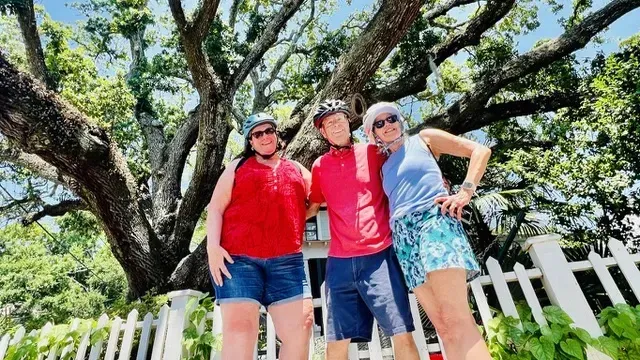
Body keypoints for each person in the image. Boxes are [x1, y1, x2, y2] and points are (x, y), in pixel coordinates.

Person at [363, 102, 492, 360]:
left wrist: (465, 191)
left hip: (434, 222)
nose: (387, 125)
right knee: (443, 327)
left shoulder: (424, 139)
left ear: (400, 120)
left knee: (457, 319)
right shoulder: (383, 168)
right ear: (372, 133)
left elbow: (480, 150)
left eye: (391, 118)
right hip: (404, 238)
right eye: (379, 123)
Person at [307, 100, 419, 360]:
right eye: (329, 123)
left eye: (340, 120)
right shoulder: (320, 166)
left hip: (379, 255)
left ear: (350, 122)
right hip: (339, 262)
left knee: (401, 333)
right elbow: (312, 207)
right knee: (335, 343)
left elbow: (405, 169)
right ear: (323, 132)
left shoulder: (373, 152)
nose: (336, 125)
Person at [206, 113, 314, 360]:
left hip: (288, 261)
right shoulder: (237, 167)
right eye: (257, 133)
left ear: (277, 135)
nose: (265, 136)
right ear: (250, 142)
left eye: (269, 131)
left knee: (302, 326)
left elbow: (319, 196)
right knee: (241, 332)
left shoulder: (296, 168)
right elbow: (215, 208)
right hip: (239, 261)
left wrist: (302, 214)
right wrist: (213, 247)